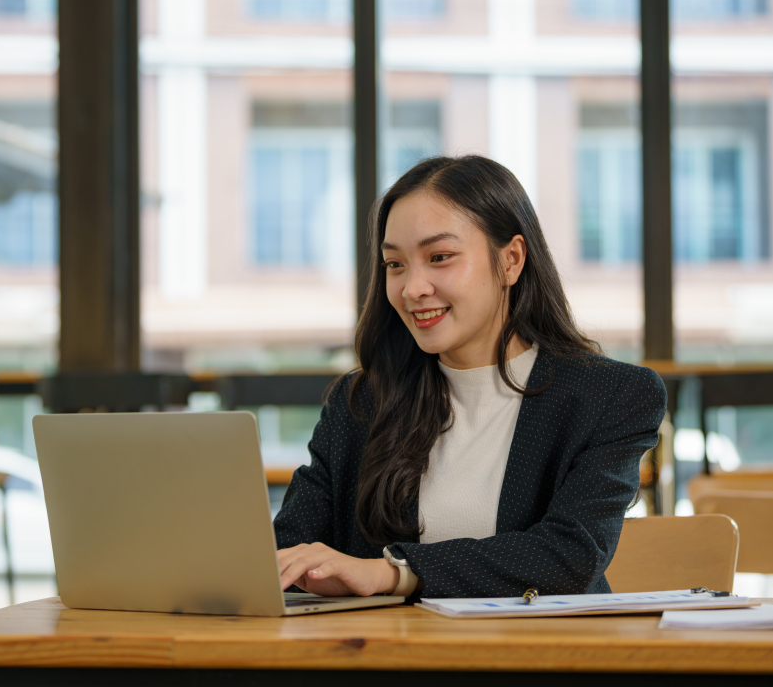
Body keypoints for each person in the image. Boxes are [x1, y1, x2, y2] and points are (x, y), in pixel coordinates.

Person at [273, 155, 666, 599]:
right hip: (386, 659)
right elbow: (289, 548)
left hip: (543, 658)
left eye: (439, 257)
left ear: (511, 260)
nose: (411, 288)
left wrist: (394, 573)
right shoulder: (362, 401)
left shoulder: (610, 396)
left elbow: (568, 554)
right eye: (395, 264)